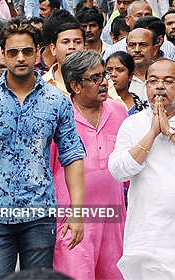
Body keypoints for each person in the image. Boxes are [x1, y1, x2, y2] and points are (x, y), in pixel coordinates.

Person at [0, 20, 86, 279]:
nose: (20, 58)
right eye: (13, 52)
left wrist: (77, 212)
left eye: (27, 51)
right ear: (3, 53)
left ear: (38, 51)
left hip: (40, 213)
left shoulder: (56, 100)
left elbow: (72, 157)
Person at [109, 59, 175, 279]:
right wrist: (152, 134)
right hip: (149, 235)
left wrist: (171, 133)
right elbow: (118, 171)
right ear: (145, 86)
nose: (160, 86)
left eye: (168, 81)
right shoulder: (132, 124)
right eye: (153, 81)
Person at [53, 50, 127, 279]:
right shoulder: (59, 116)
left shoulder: (119, 110)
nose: (104, 82)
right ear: (75, 85)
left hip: (114, 220)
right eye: (95, 78)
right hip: (73, 221)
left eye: (104, 75)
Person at [126, 26, 162, 103]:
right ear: (126, 49)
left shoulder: (164, 74)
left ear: (155, 49)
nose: (137, 50)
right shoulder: (120, 77)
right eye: (132, 45)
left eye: (143, 45)